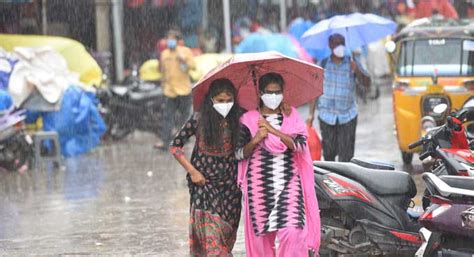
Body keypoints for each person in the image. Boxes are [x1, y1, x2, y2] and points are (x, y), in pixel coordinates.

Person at [236, 72, 320, 257]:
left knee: (293, 232)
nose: (273, 97)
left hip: (289, 183)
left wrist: (274, 131)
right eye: (269, 92)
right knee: (262, 240)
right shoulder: (248, 120)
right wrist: (256, 138)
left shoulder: (292, 116)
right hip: (259, 187)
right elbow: (238, 153)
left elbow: (299, 145)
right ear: (260, 93)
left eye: (277, 92)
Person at [170, 78, 242, 257]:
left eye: (228, 101)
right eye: (220, 101)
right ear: (211, 100)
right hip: (204, 185)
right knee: (212, 245)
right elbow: (175, 147)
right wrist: (193, 172)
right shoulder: (198, 118)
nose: (225, 105)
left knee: (225, 240)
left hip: (231, 188)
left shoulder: (239, 120)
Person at [307, 33, 370, 162]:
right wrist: (311, 114)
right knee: (329, 154)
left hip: (348, 115)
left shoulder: (352, 62)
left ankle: (344, 180)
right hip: (326, 116)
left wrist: (357, 70)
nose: (339, 47)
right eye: (336, 44)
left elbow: (367, 83)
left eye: (341, 44)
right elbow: (314, 89)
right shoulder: (323, 64)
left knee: (346, 155)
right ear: (330, 46)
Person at [155, 29, 196, 150]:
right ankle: (165, 141)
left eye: (172, 39)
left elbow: (193, 66)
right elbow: (161, 70)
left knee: (184, 117)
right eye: (168, 38)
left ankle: (183, 140)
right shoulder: (164, 54)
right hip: (169, 90)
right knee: (168, 117)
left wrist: (184, 60)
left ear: (178, 41)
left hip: (184, 90)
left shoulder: (185, 51)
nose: (169, 41)